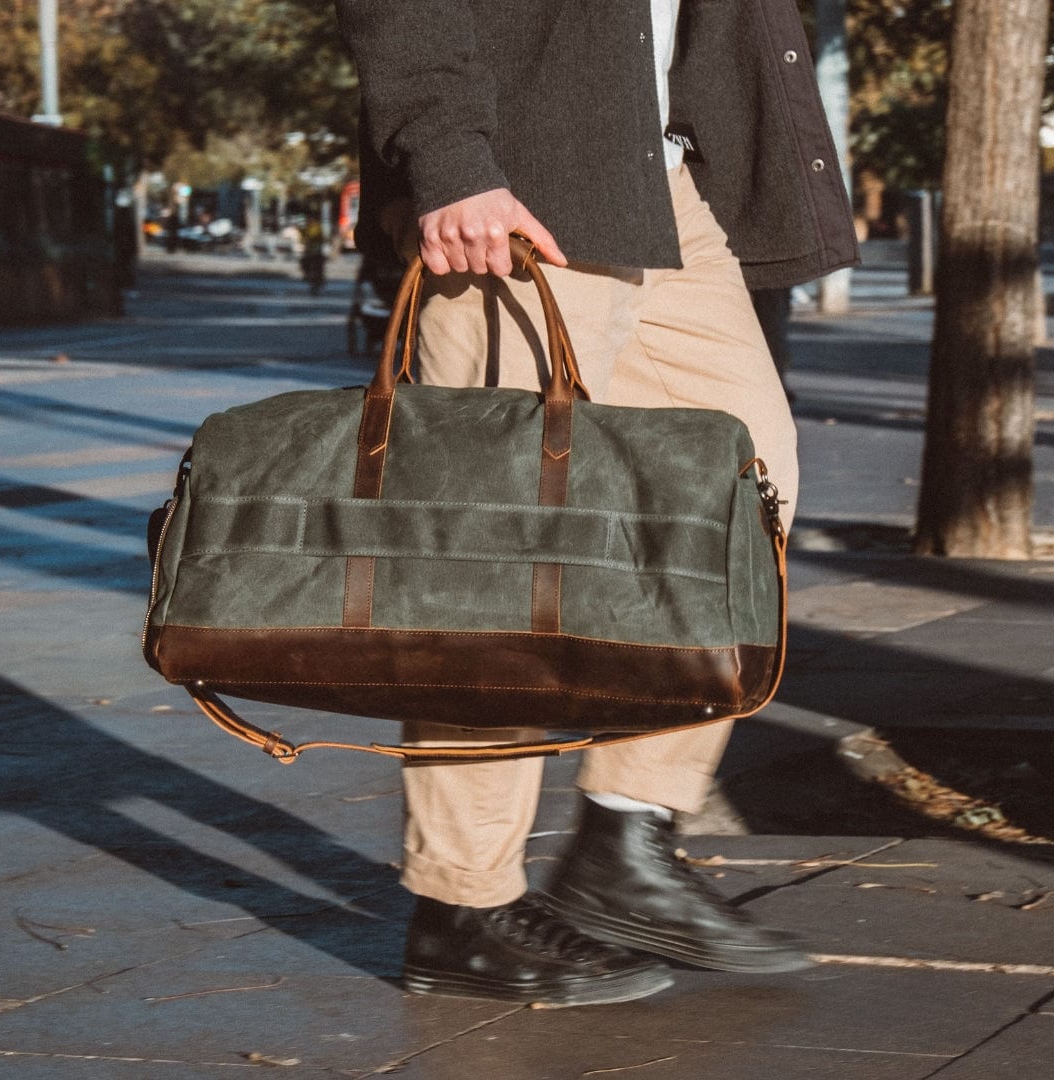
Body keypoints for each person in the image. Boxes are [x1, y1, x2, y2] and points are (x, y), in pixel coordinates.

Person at [335, 0, 858, 1007]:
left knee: (740, 498)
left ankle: (625, 836)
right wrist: (449, 159)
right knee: (495, 551)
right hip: (516, 178)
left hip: (666, 180)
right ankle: (462, 903)